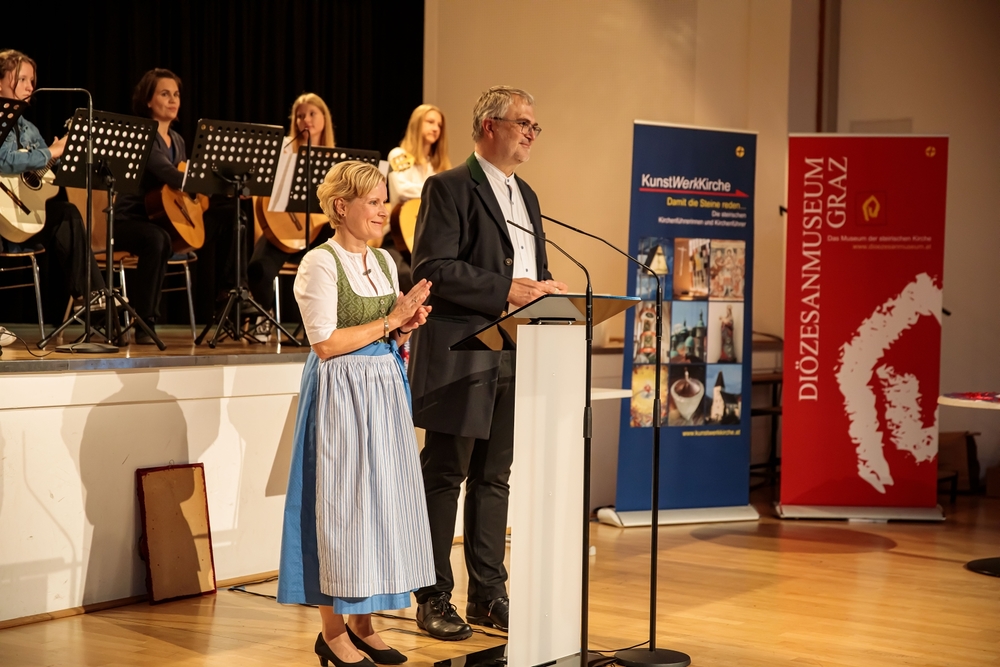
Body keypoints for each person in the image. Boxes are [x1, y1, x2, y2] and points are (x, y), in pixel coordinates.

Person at [407, 85, 567, 639]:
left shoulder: (528, 196)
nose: (531, 133)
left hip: (514, 351)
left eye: (535, 126)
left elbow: (528, 270)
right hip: (462, 352)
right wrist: (508, 290)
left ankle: (488, 595)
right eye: (524, 123)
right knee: (445, 474)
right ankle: (432, 595)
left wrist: (546, 289)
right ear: (489, 126)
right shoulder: (449, 187)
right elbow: (432, 267)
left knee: (494, 477)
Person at [278, 160, 436, 667]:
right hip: (340, 393)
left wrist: (405, 325)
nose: (383, 210)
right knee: (340, 511)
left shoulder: (385, 261)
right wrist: (390, 321)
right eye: (373, 201)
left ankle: (364, 625)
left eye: (383, 201)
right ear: (341, 206)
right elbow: (325, 344)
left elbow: (387, 330)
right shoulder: (319, 264)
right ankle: (332, 632)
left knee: (379, 507)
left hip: (383, 390)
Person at [0, 49, 105, 312]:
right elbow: (3, 159)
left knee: (67, 214)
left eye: (31, 81)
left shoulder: (29, 129)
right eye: (21, 79)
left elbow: (42, 170)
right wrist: (50, 152)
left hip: (20, 215)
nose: (29, 87)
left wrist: (61, 154)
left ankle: (92, 298)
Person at [247, 92, 336, 323]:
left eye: (312, 114)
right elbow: (263, 193)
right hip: (282, 230)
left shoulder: (335, 159)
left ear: (324, 118)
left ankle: (319, 326)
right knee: (258, 270)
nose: (306, 120)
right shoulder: (283, 149)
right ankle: (264, 316)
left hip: (317, 233)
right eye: (300, 115)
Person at [113, 68, 184, 344]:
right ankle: (145, 321)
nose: (172, 100)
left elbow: (177, 190)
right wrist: (207, 181)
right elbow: (171, 175)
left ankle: (231, 295)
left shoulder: (177, 140)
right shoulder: (144, 135)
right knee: (158, 239)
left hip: (160, 220)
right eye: (165, 94)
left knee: (231, 219)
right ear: (148, 101)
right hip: (128, 221)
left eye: (176, 94)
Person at [384, 104, 451, 294]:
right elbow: (402, 190)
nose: (435, 128)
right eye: (430, 122)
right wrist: (436, 190)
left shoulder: (439, 165)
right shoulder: (399, 155)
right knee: (405, 276)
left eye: (439, 125)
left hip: (429, 236)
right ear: (416, 124)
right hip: (399, 234)